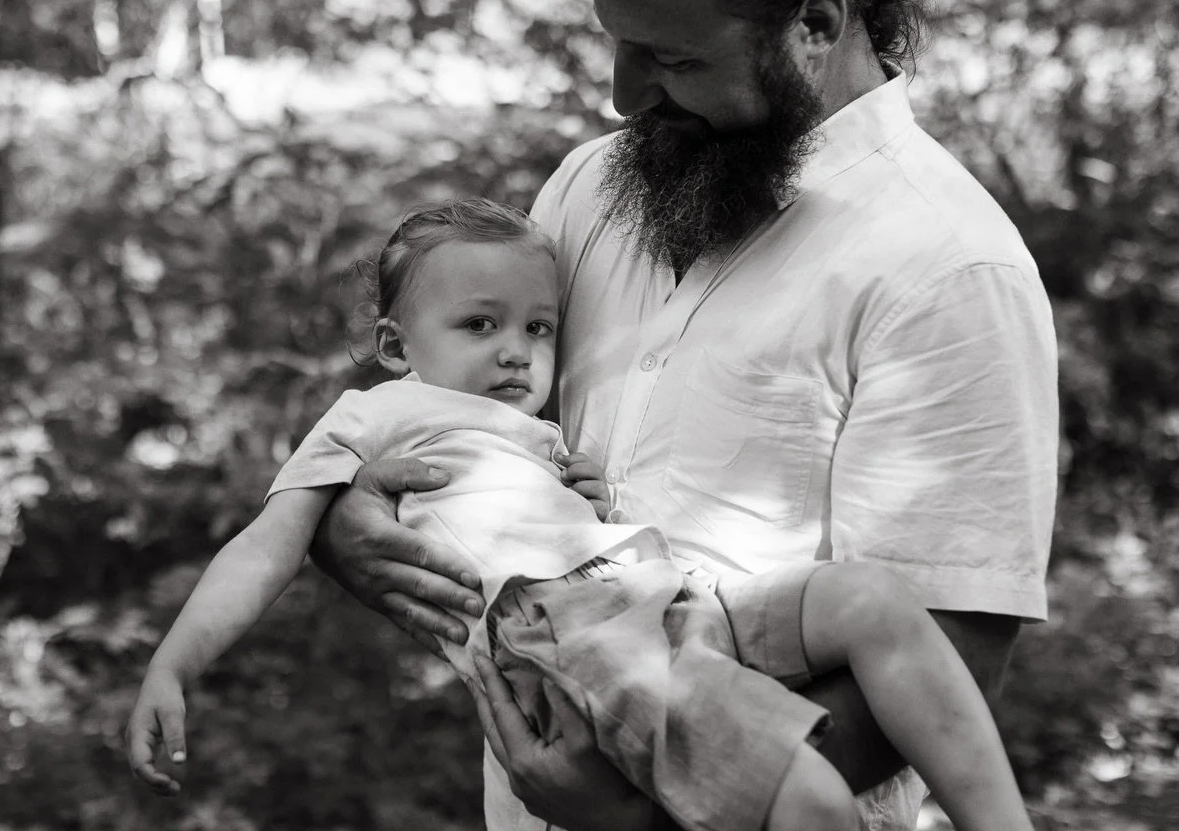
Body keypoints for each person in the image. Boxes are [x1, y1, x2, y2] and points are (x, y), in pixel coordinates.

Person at [306, 0, 1060, 830]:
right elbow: (469, 418)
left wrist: (634, 815)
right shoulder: (590, 187)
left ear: (816, 24)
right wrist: (342, 520)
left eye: (670, 57)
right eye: (616, 43)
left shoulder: (949, 267)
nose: (623, 96)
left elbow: (948, 650)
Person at [128, 200, 1034, 831]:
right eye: (479, 327)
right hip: (574, 641)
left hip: (661, 596)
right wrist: (176, 662)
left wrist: (580, 501)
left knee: (870, 600)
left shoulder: (537, 434)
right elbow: (266, 547)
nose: (518, 351)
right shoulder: (370, 416)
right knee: (811, 805)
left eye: (538, 327)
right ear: (398, 346)